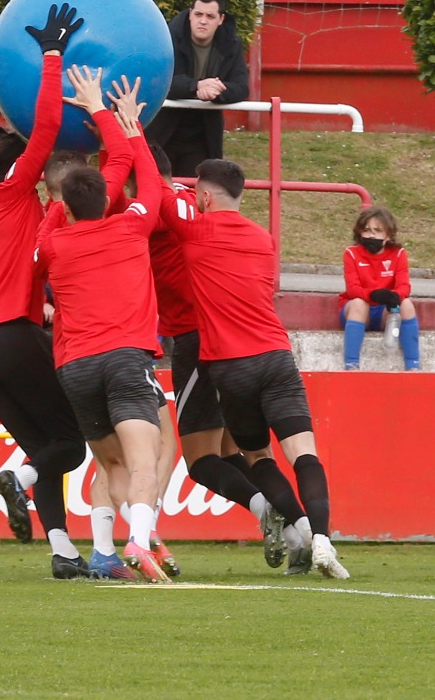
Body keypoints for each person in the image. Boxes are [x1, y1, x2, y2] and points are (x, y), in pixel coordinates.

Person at [157, 158, 350, 580]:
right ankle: (317, 536)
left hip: (211, 350)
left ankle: (277, 517)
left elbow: (148, 192)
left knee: (214, 458)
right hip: (276, 353)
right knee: (292, 453)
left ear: (205, 196)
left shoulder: (179, 218)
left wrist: (122, 126)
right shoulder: (262, 237)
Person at [0, 4, 92, 580]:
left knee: (47, 446)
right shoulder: (13, 193)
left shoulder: (16, 212)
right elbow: (42, 129)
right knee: (73, 444)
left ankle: (63, 553)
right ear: (19, 169)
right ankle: (19, 479)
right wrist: (53, 55)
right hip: (12, 337)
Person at [35, 67, 171, 583]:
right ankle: (138, 539)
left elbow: (51, 218)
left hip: (75, 369)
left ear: (66, 205)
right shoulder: (133, 225)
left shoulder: (54, 242)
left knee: (110, 464)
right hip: (124, 358)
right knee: (144, 460)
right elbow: (147, 178)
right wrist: (116, 118)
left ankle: (109, 551)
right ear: (109, 201)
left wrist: (56, 201)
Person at [145, 141, 288, 567]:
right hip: (239, 344)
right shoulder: (194, 205)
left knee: (201, 460)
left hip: (195, 340)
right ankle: (300, 531)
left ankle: (268, 510)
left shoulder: (156, 211)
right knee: (239, 452)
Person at [145, 0, 250, 177]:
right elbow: (159, 80)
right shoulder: (168, 38)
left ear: (221, 19)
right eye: (198, 14)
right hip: (162, 133)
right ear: (190, 14)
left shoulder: (231, 45)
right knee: (156, 195)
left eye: (210, 16)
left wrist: (216, 92)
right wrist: (197, 86)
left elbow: (241, 87)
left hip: (203, 135)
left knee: (195, 198)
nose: (203, 21)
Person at [339, 206, 420, 371]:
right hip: (359, 311)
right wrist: (374, 294)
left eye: (377, 230)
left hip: (386, 311)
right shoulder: (351, 253)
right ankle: (351, 365)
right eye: (367, 230)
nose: (371, 235)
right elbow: (353, 289)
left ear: (388, 235)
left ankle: (413, 365)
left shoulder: (398, 254)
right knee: (358, 303)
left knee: (406, 305)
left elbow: (404, 286)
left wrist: (393, 297)